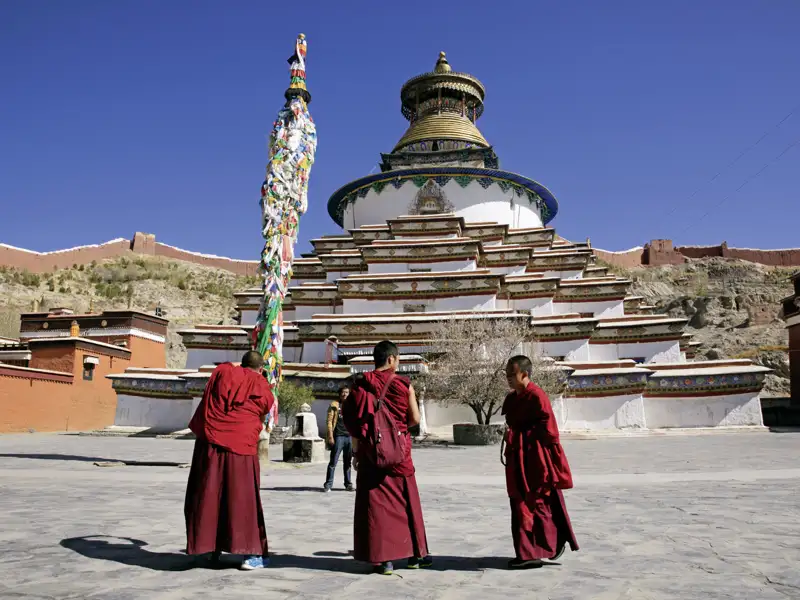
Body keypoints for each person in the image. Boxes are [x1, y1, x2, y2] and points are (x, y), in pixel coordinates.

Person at [343, 340, 431, 575]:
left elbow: (353, 422)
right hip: (399, 452)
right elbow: (414, 418)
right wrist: (397, 428)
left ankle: (384, 561)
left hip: (371, 452)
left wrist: (356, 451)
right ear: (391, 359)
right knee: (406, 500)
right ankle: (415, 555)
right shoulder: (403, 384)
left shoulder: (360, 386)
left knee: (376, 505)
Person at [184, 351, 275, 571]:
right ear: (260, 368)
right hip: (241, 447)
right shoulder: (262, 385)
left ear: (242, 363)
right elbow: (263, 407)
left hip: (210, 445)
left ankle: (208, 548)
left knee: (209, 494)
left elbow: (222, 375)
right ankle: (250, 554)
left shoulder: (222, 373)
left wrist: (239, 367)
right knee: (243, 499)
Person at [502, 355, 579, 570]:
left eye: (512, 374)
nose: (508, 378)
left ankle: (539, 550)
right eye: (506, 374)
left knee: (537, 502)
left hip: (535, 458)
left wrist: (526, 438)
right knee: (519, 503)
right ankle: (533, 550)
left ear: (525, 374)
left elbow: (550, 431)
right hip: (518, 457)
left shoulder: (537, 396)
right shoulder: (514, 398)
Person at [323, 383, 354, 492]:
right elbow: (329, 422)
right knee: (333, 462)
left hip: (349, 436)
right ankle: (328, 484)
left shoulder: (352, 406)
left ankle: (348, 483)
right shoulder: (335, 405)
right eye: (343, 392)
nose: (345, 394)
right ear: (340, 394)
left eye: (347, 392)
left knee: (348, 462)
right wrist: (330, 436)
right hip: (339, 436)